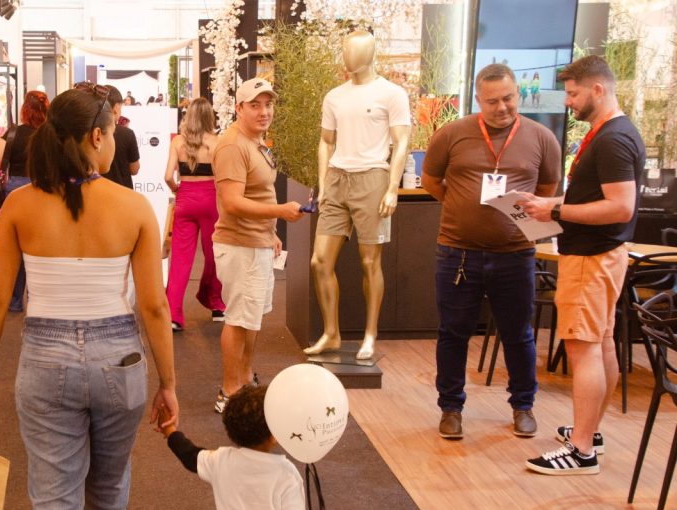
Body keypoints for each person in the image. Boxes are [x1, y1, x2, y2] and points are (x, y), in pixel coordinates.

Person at [0, 86, 179, 510]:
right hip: (119, 360)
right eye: (112, 132)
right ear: (96, 137)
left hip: (45, 361)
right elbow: (154, 306)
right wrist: (168, 383)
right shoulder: (133, 208)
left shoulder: (19, 205)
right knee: (108, 498)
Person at [421, 63, 562, 440]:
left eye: (509, 98)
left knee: (519, 335)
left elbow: (547, 188)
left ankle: (523, 406)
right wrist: (461, 205)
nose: (502, 107)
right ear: (478, 100)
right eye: (492, 101)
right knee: (453, 333)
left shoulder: (542, 138)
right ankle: (451, 408)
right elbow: (431, 181)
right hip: (457, 253)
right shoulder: (451, 134)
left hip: (516, 254)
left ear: (518, 94)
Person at [519, 55, 645, 475]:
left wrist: (556, 212)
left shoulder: (612, 140)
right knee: (600, 344)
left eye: (573, 94)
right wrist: (551, 204)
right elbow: (596, 198)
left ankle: (581, 450)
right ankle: (590, 432)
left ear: (598, 89)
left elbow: (620, 207)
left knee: (583, 347)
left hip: (592, 258)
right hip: (600, 255)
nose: (568, 101)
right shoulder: (611, 134)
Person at [304, 29, 411, 361]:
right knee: (320, 261)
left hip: (372, 178)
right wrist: (323, 183)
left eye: (356, 50)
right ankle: (331, 333)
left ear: (370, 53)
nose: (349, 57)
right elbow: (326, 141)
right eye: (346, 50)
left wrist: (392, 188)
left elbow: (402, 142)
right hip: (337, 178)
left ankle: (370, 335)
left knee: (369, 262)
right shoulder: (334, 96)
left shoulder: (391, 94)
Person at [212, 78, 304, 413]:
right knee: (239, 319)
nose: (264, 111)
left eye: (268, 104)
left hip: (257, 241)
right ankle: (229, 391)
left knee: (251, 318)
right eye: (255, 105)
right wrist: (279, 212)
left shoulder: (255, 141)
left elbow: (256, 194)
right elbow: (232, 202)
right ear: (239, 108)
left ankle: (244, 379)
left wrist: (271, 231)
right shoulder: (232, 146)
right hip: (240, 246)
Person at [159, 385, 317, 510]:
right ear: (273, 435)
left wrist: (169, 430)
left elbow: (189, 455)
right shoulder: (286, 475)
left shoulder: (221, 460)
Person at [164, 97, 225, 331]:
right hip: (211, 200)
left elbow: (167, 176)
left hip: (185, 199)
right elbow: (221, 177)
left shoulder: (178, 142)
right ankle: (217, 305)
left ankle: (173, 315)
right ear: (210, 117)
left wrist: (177, 190)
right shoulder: (217, 143)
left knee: (180, 259)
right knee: (214, 254)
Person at [0, 90, 50, 310]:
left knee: (16, 246)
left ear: (24, 109)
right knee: (39, 245)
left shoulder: (12, 132)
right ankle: (37, 300)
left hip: (15, 191)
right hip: (43, 190)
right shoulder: (50, 134)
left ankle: (14, 302)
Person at [101, 85, 140, 189]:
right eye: (121, 107)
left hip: (96, 192)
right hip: (123, 190)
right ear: (116, 107)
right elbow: (134, 169)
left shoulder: (89, 132)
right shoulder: (127, 134)